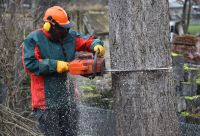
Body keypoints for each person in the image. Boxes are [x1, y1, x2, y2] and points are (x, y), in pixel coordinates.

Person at [22, 6, 104, 136]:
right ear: (50, 26)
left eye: (67, 28)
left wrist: (96, 44)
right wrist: (56, 65)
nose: (66, 31)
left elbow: (87, 41)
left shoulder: (69, 36)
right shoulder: (34, 39)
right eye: (62, 28)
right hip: (46, 104)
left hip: (68, 100)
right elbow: (30, 64)